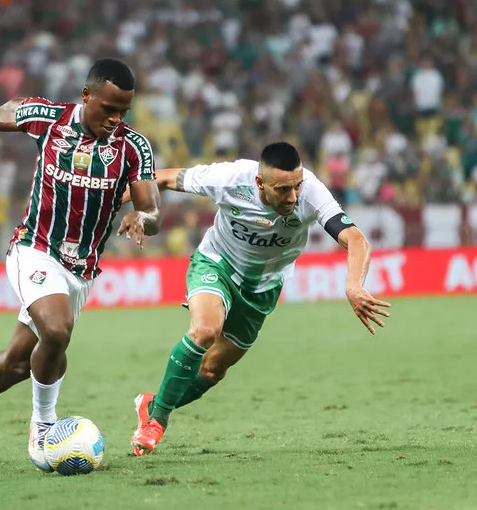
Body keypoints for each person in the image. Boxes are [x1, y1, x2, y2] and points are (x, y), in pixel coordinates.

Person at [0, 58, 161, 470]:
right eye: (108, 108)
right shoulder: (48, 119)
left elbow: (151, 208)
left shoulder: (132, 147)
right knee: (56, 330)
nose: (115, 118)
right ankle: (43, 430)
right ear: (86, 95)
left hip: (80, 270)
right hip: (34, 249)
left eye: (123, 110)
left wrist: (142, 218)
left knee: (20, 363)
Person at [124, 142, 391, 455]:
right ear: (260, 183)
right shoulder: (230, 177)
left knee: (212, 370)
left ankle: (153, 405)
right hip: (217, 263)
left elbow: (356, 239)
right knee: (205, 330)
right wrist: (128, 202)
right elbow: (165, 177)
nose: (292, 197)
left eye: (296, 186)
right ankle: (158, 420)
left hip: (263, 287)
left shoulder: (311, 193)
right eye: (282, 189)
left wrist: (353, 285)